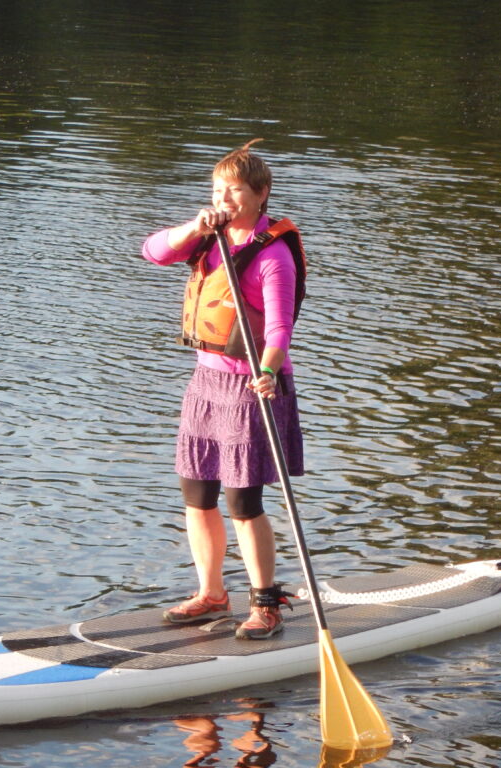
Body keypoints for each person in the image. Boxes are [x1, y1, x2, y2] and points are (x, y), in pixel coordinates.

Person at [141, 140, 306, 640]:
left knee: (243, 501)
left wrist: (271, 370)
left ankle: (266, 603)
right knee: (197, 493)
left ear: (261, 194)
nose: (225, 198)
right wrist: (195, 225)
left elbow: (278, 328)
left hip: (252, 386)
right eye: (218, 189)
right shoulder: (207, 237)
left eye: (235, 190)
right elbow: (153, 252)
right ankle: (212, 594)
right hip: (206, 383)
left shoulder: (273, 254)